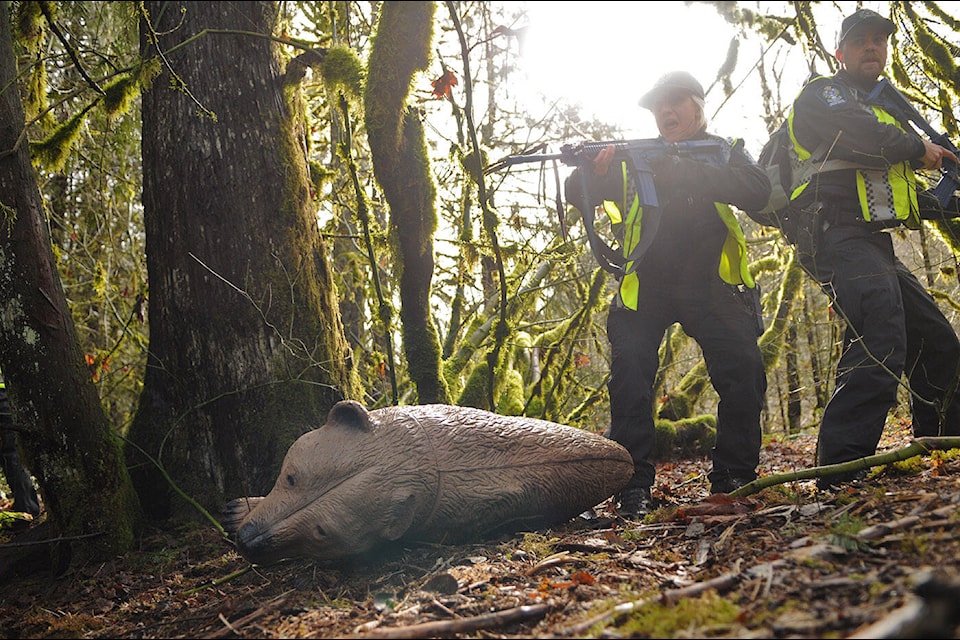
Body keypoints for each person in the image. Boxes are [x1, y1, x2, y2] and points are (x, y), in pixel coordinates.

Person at [564, 71, 771, 518]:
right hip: (646, 288)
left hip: (712, 285)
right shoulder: (634, 157)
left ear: (698, 106)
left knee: (745, 370)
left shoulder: (724, 150)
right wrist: (592, 173)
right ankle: (632, 485)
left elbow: (758, 189)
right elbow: (574, 193)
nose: (666, 112)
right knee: (629, 376)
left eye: (676, 102)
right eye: (659, 106)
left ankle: (734, 478)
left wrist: (686, 171)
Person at [786, 8, 960, 488]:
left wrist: (949, 202)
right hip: (833, 236)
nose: (872, 48)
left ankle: (938, 449)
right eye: (861, 41)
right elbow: (862, 133)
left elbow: (896, 197)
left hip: (870, 242)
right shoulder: (825, 94)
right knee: (882, 336)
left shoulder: (882, 111)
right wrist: (919, 147)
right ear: (839, 52)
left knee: (938, 341)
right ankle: (839, 470)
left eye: (880, 42)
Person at [0, 380, 40, 518]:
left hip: (4, 393)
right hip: (5, 392)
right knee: (11, 454)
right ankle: (27, 509)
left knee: (11, 454)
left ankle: (27, 510)